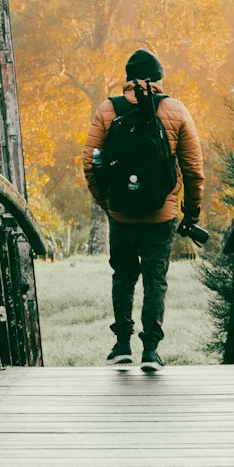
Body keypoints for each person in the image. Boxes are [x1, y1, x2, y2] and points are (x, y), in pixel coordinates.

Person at [82, 49, 204, 372]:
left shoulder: (108, 110)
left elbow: (89, 161)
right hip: (160, 216)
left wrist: (106, 201)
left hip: (121, 213)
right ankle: (151, 350)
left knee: (123, 276)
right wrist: (191, 212)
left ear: (129, 80)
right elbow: (192, 169)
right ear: (158, 79)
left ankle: (122, 344)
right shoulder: (176, 111)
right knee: (155, 279)